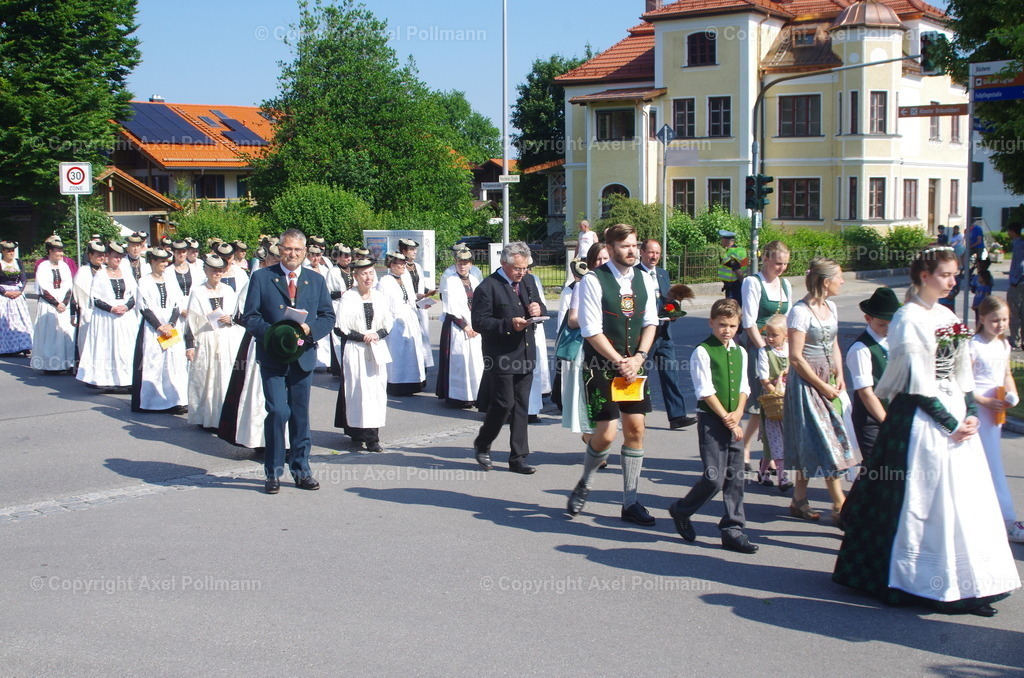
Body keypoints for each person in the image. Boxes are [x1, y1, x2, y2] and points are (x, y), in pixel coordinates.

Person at [834, 246, 1020, 617]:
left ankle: (972, 583)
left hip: (955, 415)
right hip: (921, 421)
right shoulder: (908, 318)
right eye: (947, 275)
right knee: (922, 503)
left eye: (954, 274)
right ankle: (914, 581)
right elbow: (918, 383)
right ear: (924, 276)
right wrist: (950, 423)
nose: (953, 281)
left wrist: (969, 410)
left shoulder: (948, 313)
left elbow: (960, 369)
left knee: (965, 501)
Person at [566, 223, 659, 526]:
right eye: (625, 246)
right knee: (606, 433)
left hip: (634, 363)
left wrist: (640, 357)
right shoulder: (593, 281)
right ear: (609, 248)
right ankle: (586, 480)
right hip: (602, 365)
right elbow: (591, 330)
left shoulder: (645, 279)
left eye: (635, 245)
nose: (632, 251)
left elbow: (651, 322)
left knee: (635, 430)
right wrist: (621, 361)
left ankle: (630, 502)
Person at [241, 229, 335, 494]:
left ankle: (301, 470)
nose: (292, 254)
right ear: (279, 250)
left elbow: (328, 316)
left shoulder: (316, 280)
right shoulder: (261, 278)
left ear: (305, 252)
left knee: (300, 416)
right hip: (272, 356)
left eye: (297, 250)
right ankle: (272, 471)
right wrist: (274, 333)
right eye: (287, 249)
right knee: (278, 411)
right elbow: (250, 316)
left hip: (303, 357)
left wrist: (309, 329)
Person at [668, 298, 757, 553]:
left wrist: (738, 412)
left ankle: (733, 528)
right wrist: (727, 418)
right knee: (714, 478)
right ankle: (681, 510)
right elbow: (705, 391)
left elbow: (744, 387)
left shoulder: (740, 351)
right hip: (711, 420)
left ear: (738, 325)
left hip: (734, 420)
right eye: (721, 325)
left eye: (731, 325)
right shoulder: (703, 351)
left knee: (736, 477)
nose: (726, 330)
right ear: (711, 323)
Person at [783, 257, 853, 527]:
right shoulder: (800, 312)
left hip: (827, 380)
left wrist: (839, 374)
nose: (843, 281)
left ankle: (798, 499)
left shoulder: (831, 307)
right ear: (826, 282)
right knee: (828, 440)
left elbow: (834, 343)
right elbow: (796, 358)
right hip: (806, 383)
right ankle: (839, 503)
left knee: (810, 441)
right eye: (839, 277)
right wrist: (821, 385)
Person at [471, 241, 546, 474]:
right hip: (500, 355)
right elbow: (480, 322)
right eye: (517, 269)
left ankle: (518, 458)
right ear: (504, 263)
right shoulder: (487, 287)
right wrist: (508, 324)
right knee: (504, 403)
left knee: (522, 405)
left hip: (525, 351)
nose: (521, 273)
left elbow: (540, 306)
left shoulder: (529, 281)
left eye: (525, 268)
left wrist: (538, 309)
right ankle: (483, 443)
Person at [971, 295, 1024, 542]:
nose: (1000, 325)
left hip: (996, 410)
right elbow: (963, 383)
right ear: (982, 319)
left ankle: (994, 516)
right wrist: (984, 401)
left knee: (992, 462)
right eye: (995, 320)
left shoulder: (1003, 346)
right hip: (978, 409)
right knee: (985, 463)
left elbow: (1005, 374)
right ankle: (1005, 517)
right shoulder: (973, 345)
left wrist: (1012, 394)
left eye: (1004, 320)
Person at [739, 241, 792, 468]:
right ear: (766, 259)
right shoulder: (753, 282)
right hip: (758, 346)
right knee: (758, 404)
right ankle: (745, 449)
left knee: (776, 403)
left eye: (785, 264)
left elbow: (786, 321)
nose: (781, 268)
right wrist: (764, 349)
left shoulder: (786, 285)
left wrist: (785, 351)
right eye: (777, 263)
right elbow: (749, 320)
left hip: (779, 349)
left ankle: (769, 454)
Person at [334, 258, 393, 452]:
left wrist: (378, 334)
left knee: (375, 392)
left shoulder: (378, 296)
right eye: (364, 274)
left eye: (371, 273)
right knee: (358, 391)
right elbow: (340, 328)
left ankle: (373, 437)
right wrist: (361, 336)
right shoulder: (348, 297)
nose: (368, 277)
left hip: (376, 348)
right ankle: (357, 431)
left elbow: (388, 322)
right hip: (356, 349)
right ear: (356, 276)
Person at [637, 238, 697, 429]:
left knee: (671, 373)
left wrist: (673, 311)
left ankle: (677, 416)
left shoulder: (663, 274)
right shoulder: (634, 274)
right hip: (644, 335)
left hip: (664, 334)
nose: (654, 256)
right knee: (641, 375)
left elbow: (668, 300)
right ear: (642, 253)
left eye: (657, 253)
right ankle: (637, 414)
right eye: (650, 252)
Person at [185, 254, 245, 428]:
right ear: (206, 271)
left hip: (225, 339)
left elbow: (237, 314)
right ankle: (204, 417)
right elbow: (191, 321)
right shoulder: (198, 291)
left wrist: (231, 319)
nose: (217, 274)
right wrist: (190, 346)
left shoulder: (228, 290)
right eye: (213, 270)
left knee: (224, 377)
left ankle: (222, 417)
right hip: (206, 339)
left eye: (220, 271)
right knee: (205, 378)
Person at [846, 287, 899, 463]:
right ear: (868, 319)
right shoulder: (861, 348)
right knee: (875, 468)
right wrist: (886, 422)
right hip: (871, 418)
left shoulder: (895, 341)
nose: (888, 329)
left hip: (894, 413)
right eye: (882, 324)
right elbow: (866, 393)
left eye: (893, 323)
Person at [76, 243, 139, 391]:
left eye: (120, 257)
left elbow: (134, 295)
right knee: (107, 347)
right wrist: (111, 308)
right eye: (115, 256)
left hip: (125, 317)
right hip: (106, 318)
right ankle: (107, 379)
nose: (118, 259)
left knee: (126, 348)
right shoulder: (100, 274)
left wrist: (126, 306)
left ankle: (127, 379)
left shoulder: (126, 274)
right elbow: (95, 298)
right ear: (108, 257)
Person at [131, 249, 187, 413]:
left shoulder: (170, 280)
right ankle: (151, 401)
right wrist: (159, 326)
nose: (165, 264)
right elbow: (144, 307)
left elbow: (177, 304)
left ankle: (174, 400)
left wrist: (170, 323)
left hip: (170, 328)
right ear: (153, 261)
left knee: (173, 363)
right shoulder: (144, 282)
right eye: (161, 261)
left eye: (165, 261)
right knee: (153, 363)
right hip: (152, 329)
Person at [561, 246, 607, 438]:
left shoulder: (618, 284)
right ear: (590, 262)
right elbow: (572, 320)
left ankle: (603, 435)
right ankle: (589, 435)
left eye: (605, 258)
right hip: (587, 345)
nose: (601, 263)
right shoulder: (583, 284)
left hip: (612, 345)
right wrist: (592, 320)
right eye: (597, 259)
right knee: (588, 392)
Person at [436, 249, 484, 408]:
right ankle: (459, 396)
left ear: (470, 264)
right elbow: (451, 308)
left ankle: (476, 394)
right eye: (459, 263)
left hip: (474, 327)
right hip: (457, 326)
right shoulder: (450, 281)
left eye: (465, 263)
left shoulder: (475, 280)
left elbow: (481, 304)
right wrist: (465, 327)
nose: (462, 266)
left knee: (475, 361)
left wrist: (477, 325)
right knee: (460, 361)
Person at [377, 252, 427, 395]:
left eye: (404, 263)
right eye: (400, 264)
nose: (403, 266)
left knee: (412, 351)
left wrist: (421, 303)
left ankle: (413, 382)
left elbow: (410, 298)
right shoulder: (385, 282)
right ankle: (397, 383)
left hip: (410, 319)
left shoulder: (406, 278)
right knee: (398, 352)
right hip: (395, 321)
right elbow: (383, 305)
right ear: (392, 265)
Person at [755, 313, 791, 491]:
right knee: (775, 439)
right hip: (772, 403)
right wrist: (776, 392)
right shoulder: (764, 352)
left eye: (774, 335)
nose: (769, 338)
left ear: (786, 334)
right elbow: (763, 378)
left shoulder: (791, 350)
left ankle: (763, 470)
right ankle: (783, 478)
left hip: (789, 402)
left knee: (784, 439)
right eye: (767, 334)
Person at [32, 238, 75, 372]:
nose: (61, 254)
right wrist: (56, 303)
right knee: (50, 334)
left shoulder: (64, 266)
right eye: (58, 251)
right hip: (49, 305)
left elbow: (69, 286)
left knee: (65, 333)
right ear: (50, 251)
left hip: (63, 305)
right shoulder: (43, 266)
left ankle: (67, 363)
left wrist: (64, 302)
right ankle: (50, 365)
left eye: (62, 250)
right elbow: (42, 288)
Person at [399, 238, 436, 371]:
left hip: (420, 305)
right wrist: (416, 296)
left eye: (415, 249)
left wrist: (428, 292)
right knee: (411, 336)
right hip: (408, 306)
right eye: (411, 249)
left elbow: (420, 286)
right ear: (404, 251)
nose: (415, 252)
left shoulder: (417, 266)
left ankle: (423, 365)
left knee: (423, 335)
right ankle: (412, 367)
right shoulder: (401, 268)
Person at [72, 241, 106, 358]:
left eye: (103, 255)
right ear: (90, 255)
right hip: (88, 310)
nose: (101, 257)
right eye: (98, 255)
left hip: (104, 312)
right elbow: (77, 293)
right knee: (87, 341)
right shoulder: (83, 271)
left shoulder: (106, 270)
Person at [0, 240, 32, 356]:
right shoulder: (0, 263)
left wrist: (19, 291)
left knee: (20, 320)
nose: (11, 253)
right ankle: (5, 347)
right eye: (8, 251)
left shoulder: (18, 262)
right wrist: (5, 292)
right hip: (4, 294)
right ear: (3, 251)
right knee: (5, 321)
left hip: (17, 293)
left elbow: (24, 279)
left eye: (12, 250)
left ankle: (23, 345)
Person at [1004, 222, 1024, 348]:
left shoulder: (1018, 244)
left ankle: (1015, 339)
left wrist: (1015, 280)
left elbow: (1020, 264)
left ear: (1012, 231)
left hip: (1018, 282)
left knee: (1014, 311)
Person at [717, 230, 748, 303]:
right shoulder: (737, 250)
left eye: (722, 239)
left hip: (734, 287)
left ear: (725, 240)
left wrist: (744, 286)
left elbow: (738, 270)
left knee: (733, 309)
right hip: (733, 286)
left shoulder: (733, 253)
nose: (721, 241)